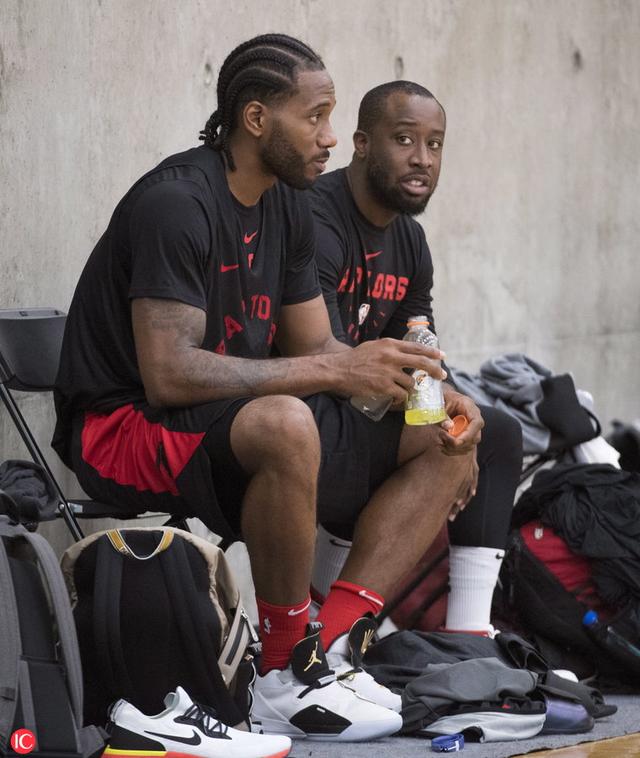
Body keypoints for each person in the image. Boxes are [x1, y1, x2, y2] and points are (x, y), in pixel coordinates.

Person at [53, 36, 477, 742]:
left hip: (229, 420)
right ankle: (281, 670)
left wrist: (411, 382)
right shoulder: (177, 203)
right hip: (123, 426)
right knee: (286, 420)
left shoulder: (283, 205)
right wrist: (336, 370)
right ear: (256, 120)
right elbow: (171, 372)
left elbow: (316, 346)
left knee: (446, 436)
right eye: (315, 117)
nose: (331, 138)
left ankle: (330, 647)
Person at [309, 80, 523, 635]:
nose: (422, 159)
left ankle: (468, 634)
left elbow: (421, 346)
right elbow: (321, 359)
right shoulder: (317, 221)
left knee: (489, 430)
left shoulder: (410, 241)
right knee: (440, 437)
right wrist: (439, 431)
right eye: (404, 140)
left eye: (435, 144)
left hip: (368, 406)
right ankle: (326, 621)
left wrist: (453, 424)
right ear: (360, 142)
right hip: (301, 409)